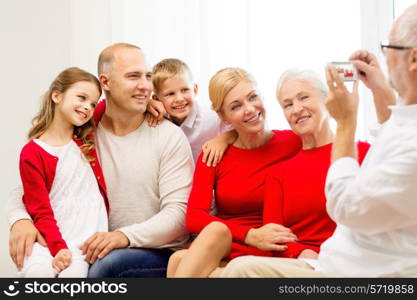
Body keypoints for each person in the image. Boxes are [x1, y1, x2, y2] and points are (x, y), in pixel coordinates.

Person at [7, 43, 195, 277]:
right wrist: (20, 220)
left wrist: (122, 237)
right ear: (105, 83)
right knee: (40, 264)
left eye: (147, 76)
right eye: (133, 76)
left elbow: (179, 215)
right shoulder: (83, 130)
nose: (145, 86)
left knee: (105, 266)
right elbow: (32, 181)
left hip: (155, 250)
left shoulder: (168, 136)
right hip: (91, 245)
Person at [219, 69, 370, 277]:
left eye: (304, 97)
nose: (297, 109)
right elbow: (274, 240)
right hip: (306, 265)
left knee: (240, 269)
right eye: (287, 104)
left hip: (353, 263)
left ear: (328, 100)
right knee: (239, 268)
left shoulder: (363, 153)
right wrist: (302, 252)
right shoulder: (278, 174)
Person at [166, 67, 302, 277]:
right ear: (224, 117)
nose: (249, 109)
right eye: (236, 106)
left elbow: (328, 141)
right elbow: (194, 217)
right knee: (198, 243)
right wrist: (250, 235)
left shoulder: (294, 141)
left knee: (178, 260)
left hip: (273, 243)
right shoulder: (213, 154)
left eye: (252, 97)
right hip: (232, 242)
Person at [18, 67, 108, 278]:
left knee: (72, 281)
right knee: (36, 275)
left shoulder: (87, 139)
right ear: (56, 95)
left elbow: (120, 104)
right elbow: (39, 210)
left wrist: (151, 101)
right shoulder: (32, 153)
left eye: (92, 103)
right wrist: (58, 248)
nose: (87, 107)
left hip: (83, 244)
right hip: (49, 239)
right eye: (82, 97)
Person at [149, 58, 236, 166]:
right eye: (170, 94)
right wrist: (147, 104)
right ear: (157, 99)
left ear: (195, 90)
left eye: (185, 90)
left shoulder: (212, 117)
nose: (179, 98)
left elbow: (241, 130)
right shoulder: (156, 119)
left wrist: (224, 138)